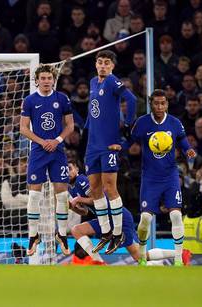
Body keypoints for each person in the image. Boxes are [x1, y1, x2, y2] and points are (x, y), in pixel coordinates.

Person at [129, 89, 196, 266]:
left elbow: (182, 139)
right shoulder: (142, 123)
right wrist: (120, 148)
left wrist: (187, 148)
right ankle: (142, 253)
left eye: (163, 103)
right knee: (145, 219)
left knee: (175, 215)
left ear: (167, 104)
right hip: (150, 178)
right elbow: (130, 141)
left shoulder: (174, 123)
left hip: (170, 176)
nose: (159, 106)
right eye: (156, 103)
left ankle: (178, 258)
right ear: (151, 104)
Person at [69, 173, 191, 266]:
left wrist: (79, 200)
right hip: (105, 219)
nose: (67, 172)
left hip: (117, 217)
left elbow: (101, 200)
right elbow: (85, 211)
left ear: (76, 169)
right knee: (77, 230)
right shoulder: (72, 188)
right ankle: (99, 262)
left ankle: (179, 254)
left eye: (70, 168)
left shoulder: (82, 180)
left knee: (139, 257)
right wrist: (73, 207)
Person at [20, 64, 75, 256]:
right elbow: (24, 128)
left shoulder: (62, 99)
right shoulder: (29, 101)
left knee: (61, 195)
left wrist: (57, 140)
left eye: (49, 78)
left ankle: (61, 234)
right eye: (42, 78)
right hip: (38, 151)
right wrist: (43, 142)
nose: (46, 81)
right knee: (34, 195)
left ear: (53, 80)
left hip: (57, 151)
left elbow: (70, 125)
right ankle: (33, 236)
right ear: (37, 80)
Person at [85, 50, 136, 254]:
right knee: (95, 188)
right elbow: (93, 109)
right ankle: (106, 232)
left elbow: (131, 99)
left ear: (113, 66)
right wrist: (87, 128)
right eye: (100, 62)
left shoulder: (112, 81)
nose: (103, 66)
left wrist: (128, 125)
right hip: (92, 145)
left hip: (109, 145)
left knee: (109, 187)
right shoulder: (92, 82)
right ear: (96, 65)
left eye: (107, 63)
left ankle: (117, 232)